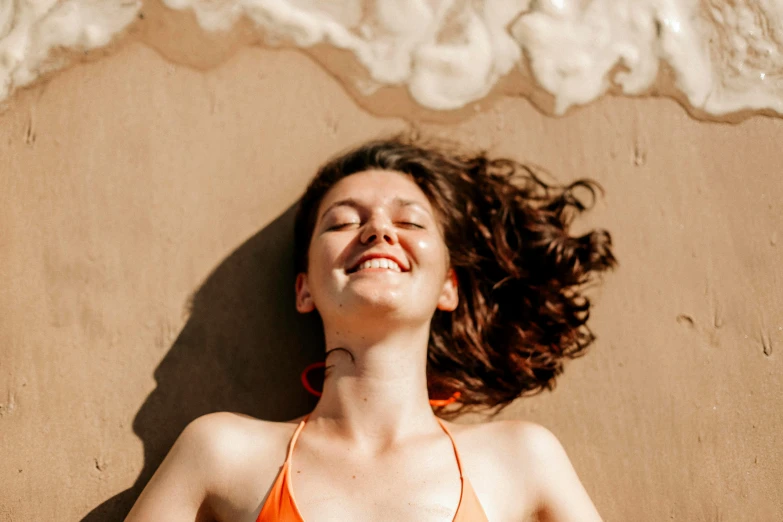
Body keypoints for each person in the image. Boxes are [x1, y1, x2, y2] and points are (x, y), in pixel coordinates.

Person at [126, 134, 616, 521]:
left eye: (411, 222)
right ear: (305, 290)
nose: (378, 230)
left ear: (450, 287)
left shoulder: (521, 459)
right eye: (341, 222)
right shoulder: (222, 453)